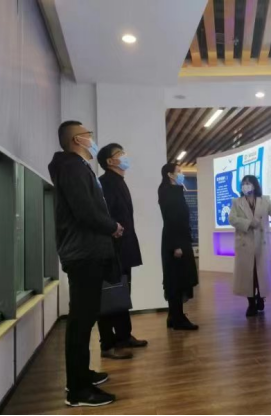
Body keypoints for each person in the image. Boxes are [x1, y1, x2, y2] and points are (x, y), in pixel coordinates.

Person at [49, 121, 122, 408]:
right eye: (88, 134)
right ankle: (78, 390)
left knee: (86, 317)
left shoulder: (76, 167)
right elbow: (85, 211)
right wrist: (112, 226)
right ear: (78, 140)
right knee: (81, 320)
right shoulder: (71, 167)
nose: (92, 138)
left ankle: (81, 375)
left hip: (86, 251)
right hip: (83, 253)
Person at [96, 144, 148, 360]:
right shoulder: (106, 182)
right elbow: (103, 216)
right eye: (120, 154)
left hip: (124, 247)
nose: (125, 157)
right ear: (110, 161)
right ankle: (107, 343)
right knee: (110, 294)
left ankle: (124, 336)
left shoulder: (118, 181)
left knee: (122, 293)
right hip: (112, 249)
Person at [229, 176, 271, 318]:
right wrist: (248, 223)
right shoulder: (237, 202)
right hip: (245, 243)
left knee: (261, 273)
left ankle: (261, 297)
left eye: (248, 183)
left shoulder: (264, 200)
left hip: (261, 243)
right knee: (249, 275)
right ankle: (251, 303)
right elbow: (232, 219)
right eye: (243, 184)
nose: (245, 186)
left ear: (254, 185)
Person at [158, 163, 199, 331]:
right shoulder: (167, 191)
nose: (182, 174)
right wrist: (176, 245)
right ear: (170, 175)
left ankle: (174, 315)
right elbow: (171, 219)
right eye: (179, 171)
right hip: (175, 241)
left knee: (178, 278)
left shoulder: (174, 190)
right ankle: (178, 318)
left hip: (180, 239)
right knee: (177, 280)